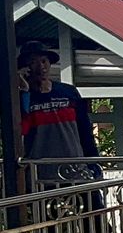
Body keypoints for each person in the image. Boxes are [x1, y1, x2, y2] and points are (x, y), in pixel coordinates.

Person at [18, 41, 99, 189]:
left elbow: (85, 130)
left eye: (44, 61)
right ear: (25, 67)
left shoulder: (68, 92)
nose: (40, 67)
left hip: (77, 171)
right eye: (33, 62)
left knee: (93, 210)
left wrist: (94, 164)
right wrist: (24, 91)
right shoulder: (22, 98)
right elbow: (21, 129)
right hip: (42, 178)